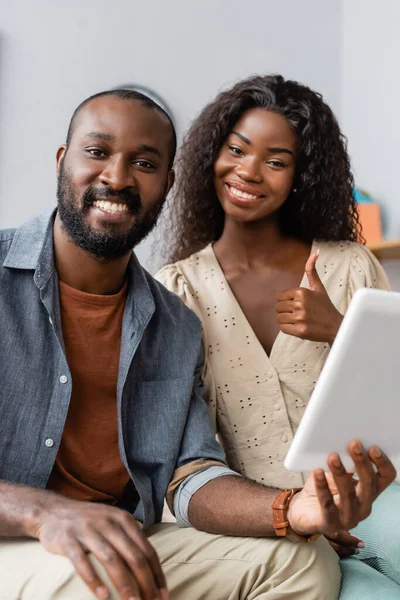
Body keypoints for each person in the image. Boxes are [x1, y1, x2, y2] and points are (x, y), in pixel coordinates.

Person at [156, 74, 400, 598]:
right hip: (274, 527)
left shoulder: (348, 265)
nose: (248, 171)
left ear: (301, 175)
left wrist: (338, 328)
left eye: (275, 160)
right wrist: (294, 514)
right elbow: (185, 453)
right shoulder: (175, 291)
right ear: (212, 155)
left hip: (379, 499)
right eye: (237, 149)